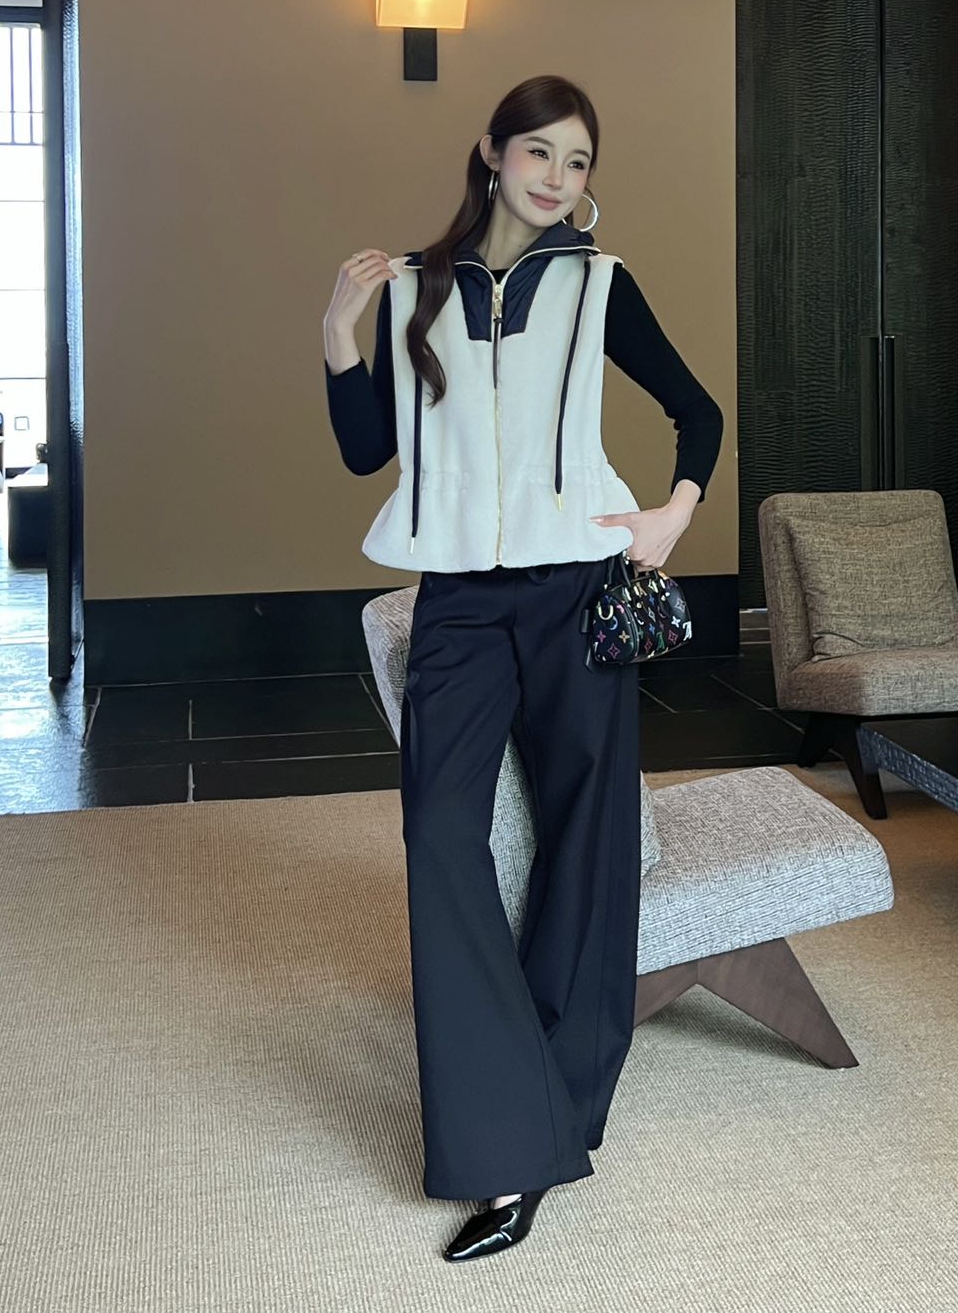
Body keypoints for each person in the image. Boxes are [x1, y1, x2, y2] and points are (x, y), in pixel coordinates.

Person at [322, 74, 723, 1262]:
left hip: (576, 590)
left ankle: (541, 1125)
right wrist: (337, 333)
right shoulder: (416, 289)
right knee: (438, 833)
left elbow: (697, 413)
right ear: (490, 154)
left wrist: (669, 517)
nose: (556, 177)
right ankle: (513, 1113)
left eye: (578, 160)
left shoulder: (600, 284)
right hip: (456, 603)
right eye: (538, 152)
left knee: (586, 836)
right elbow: (363, 452)